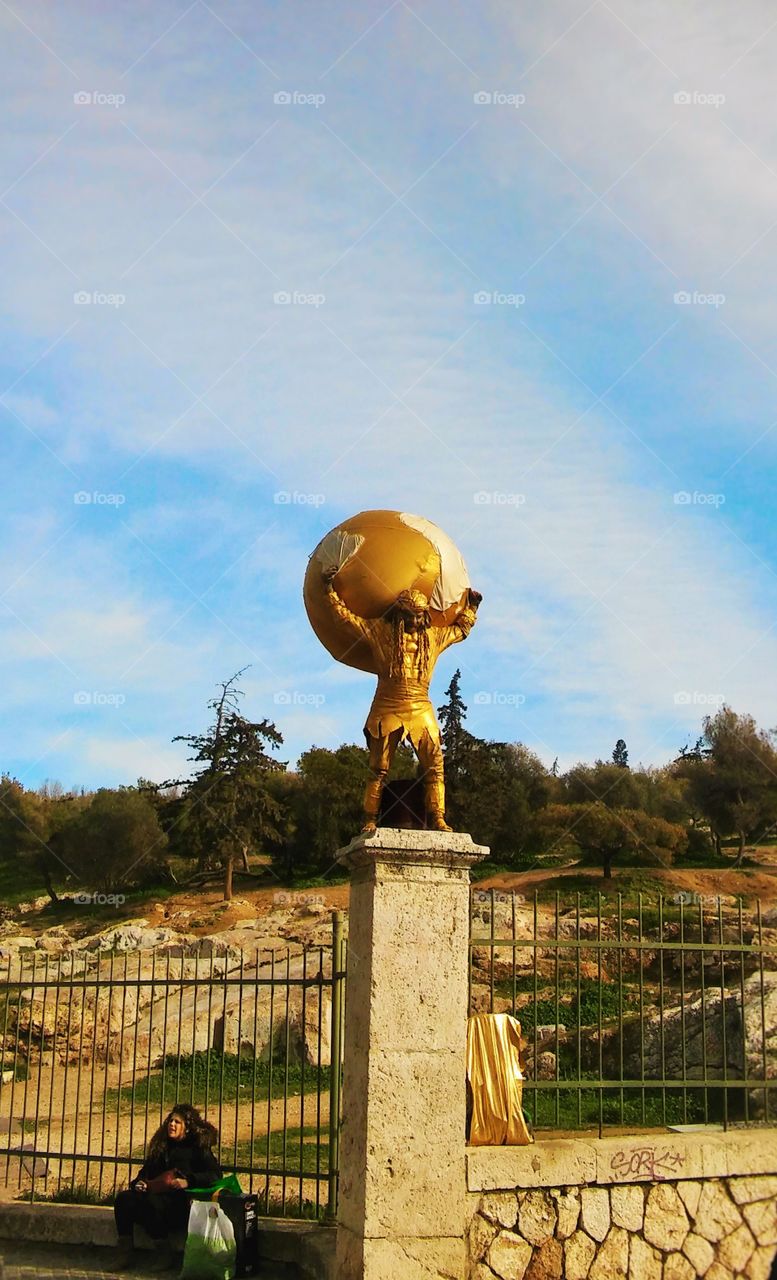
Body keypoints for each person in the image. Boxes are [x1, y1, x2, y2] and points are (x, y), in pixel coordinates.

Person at [322, 566, 482, 831]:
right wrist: (328, 590)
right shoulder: (380, 632)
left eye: (420, 616)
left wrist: (472, 608)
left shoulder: (433, 636)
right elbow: (345, 618)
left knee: (435, 764)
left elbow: (460, 630)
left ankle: (438, 817)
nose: (416, 621)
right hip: (387, 703)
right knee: (378, 767)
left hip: (420, 704)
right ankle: (370, 819)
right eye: (411, 616)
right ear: (400, 614)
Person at [113, 1104, 222, 1272]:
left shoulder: (196, 1149)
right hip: (154, 1198)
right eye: (170, 1121)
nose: (172, 1124)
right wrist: (139, 1183)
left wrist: (189, 1181)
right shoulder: (162, 1147)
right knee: (123, 1199)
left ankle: (164, 1252)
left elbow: (215, 1175)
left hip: (180, 1203)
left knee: (152, 1202)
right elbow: (145, 1172)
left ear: (186, 1128)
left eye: (177, 1122)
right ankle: (124, 1252)